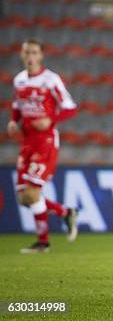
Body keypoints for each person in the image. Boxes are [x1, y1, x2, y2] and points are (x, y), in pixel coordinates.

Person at [7, 39, 79, 253]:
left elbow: (70, 107)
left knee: (31, 193)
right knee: (24, 198)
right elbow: (17, 106)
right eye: (27, 52)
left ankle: (43, 242)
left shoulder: (50, 79)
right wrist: (13, 120)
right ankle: (65, 212)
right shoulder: (19, 80)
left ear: (40, 56)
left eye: (34, 52)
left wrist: (51, 120)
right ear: (22, 55)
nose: (30, 56)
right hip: (27, 141)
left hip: (45, 141)